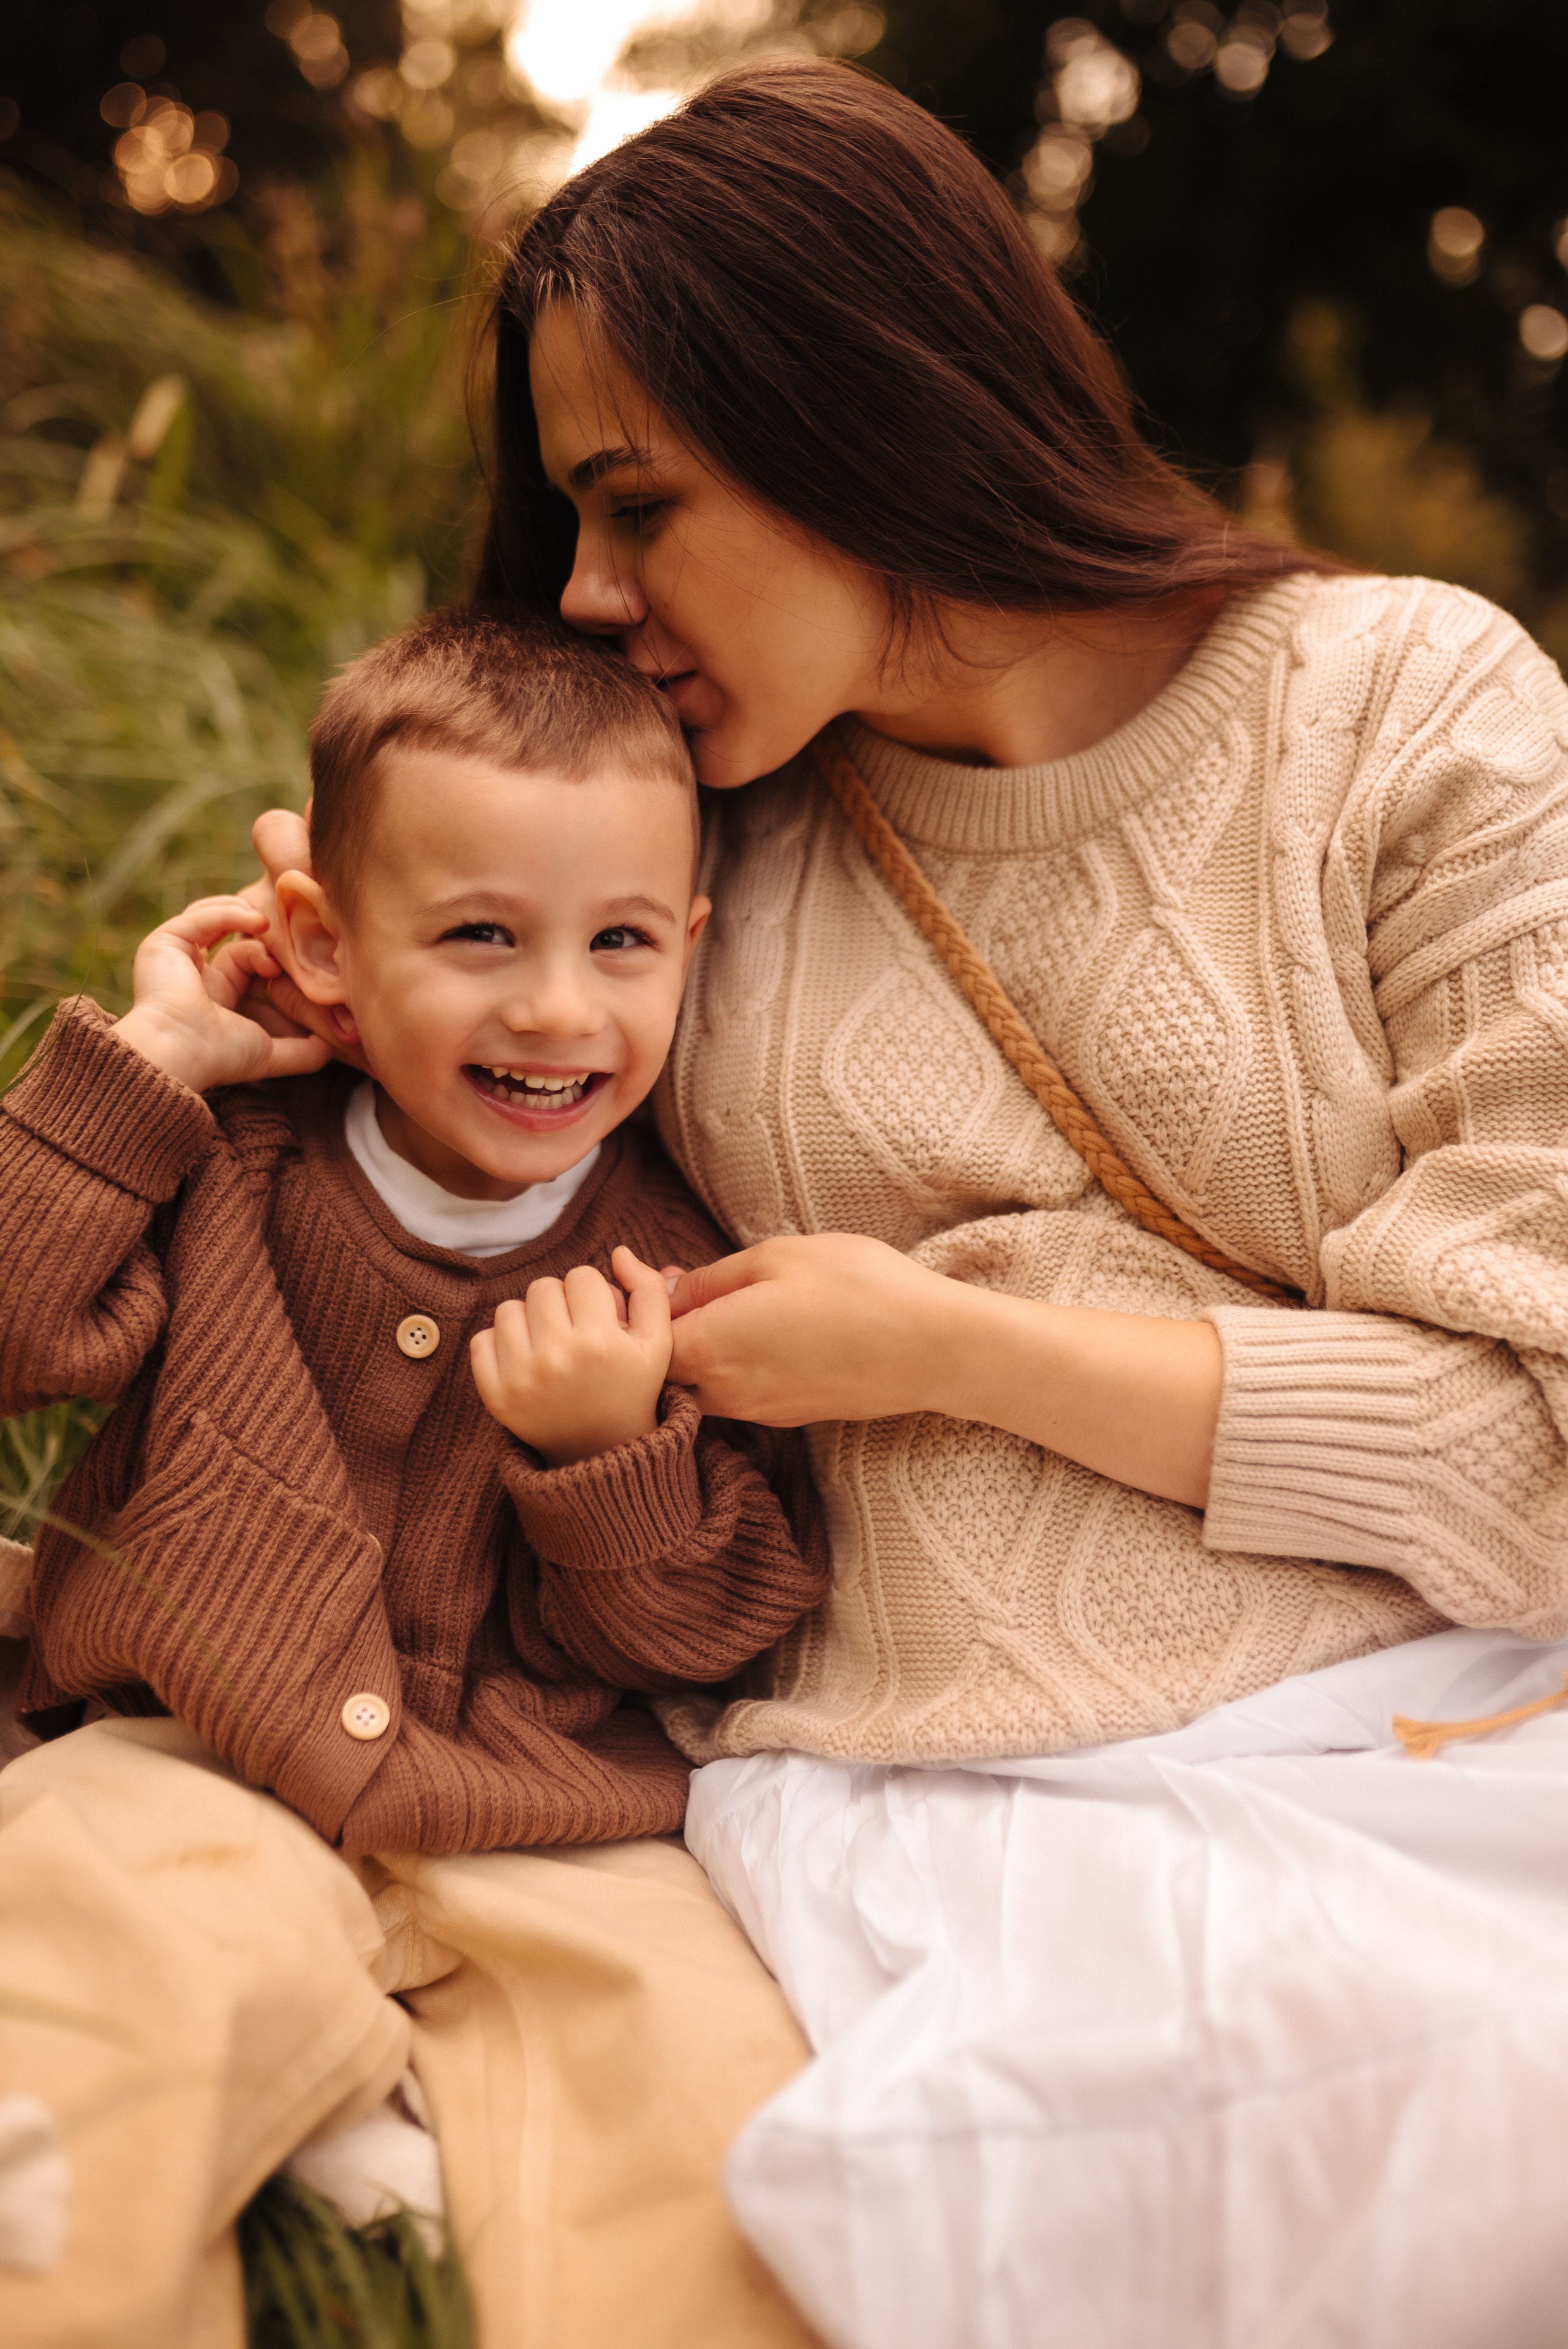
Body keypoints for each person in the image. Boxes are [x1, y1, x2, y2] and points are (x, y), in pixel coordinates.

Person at [244, 55, 1568, 2349]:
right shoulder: (700, 835)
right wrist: (309, 988)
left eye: (636, 506)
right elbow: (461, 1035)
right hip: (932, 1795)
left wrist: (954, 1351)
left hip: (1436, 1736)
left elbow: (1542, 1439)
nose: (588, 590)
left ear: (856, 402)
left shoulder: (1402, 711)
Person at [0, 606, 828, 2349]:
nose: (558, 1006)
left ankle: (383, 2111)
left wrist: (610, 1463)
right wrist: (147, 1068)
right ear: (323, 943)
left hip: (555, 1825)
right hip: (187, 1754)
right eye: (477, 935)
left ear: (688, 944)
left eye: (620, 942)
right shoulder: (226, 1157)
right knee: (79, 1997)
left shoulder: (679, 1270)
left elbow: (724, 1630)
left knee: (712, 2114)